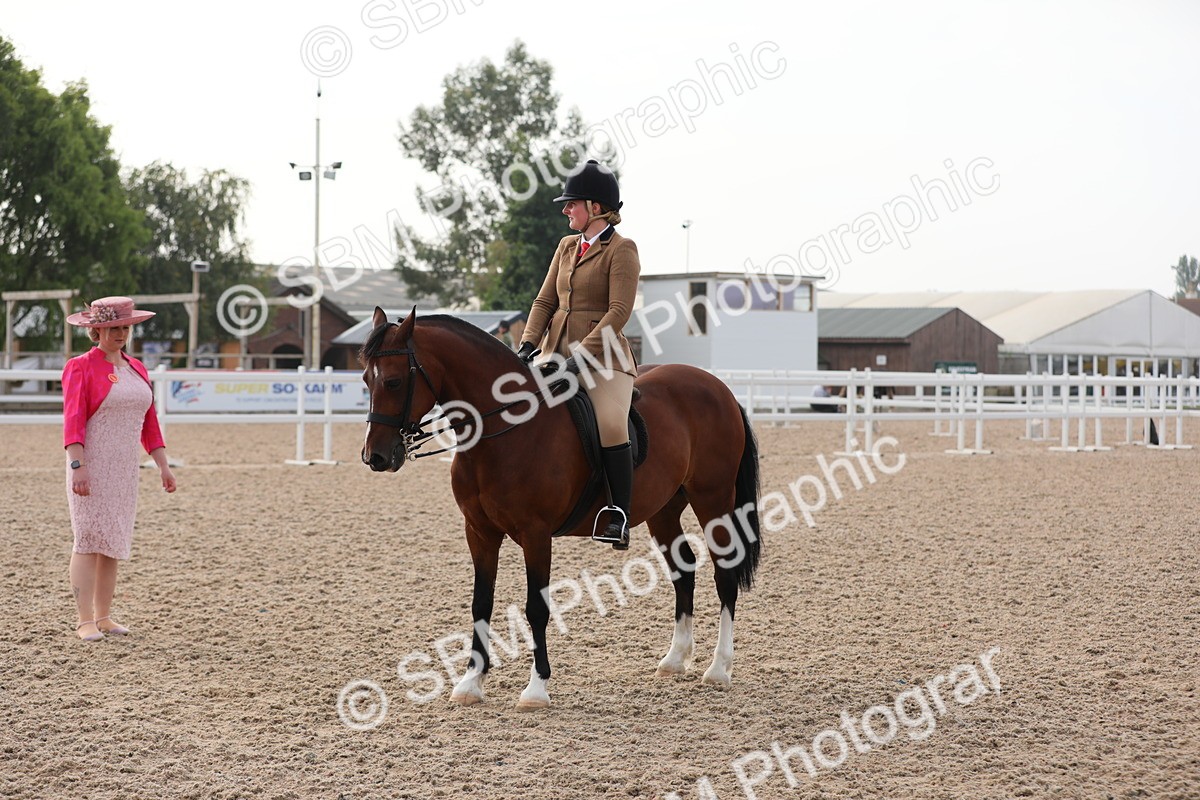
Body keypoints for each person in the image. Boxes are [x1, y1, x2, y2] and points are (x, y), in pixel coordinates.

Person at [517, 160, 640, 550]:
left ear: (596, 208)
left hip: (604, 359)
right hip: (554, 353)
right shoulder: (566, 246)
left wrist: (581, 357)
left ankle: (618, 515)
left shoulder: (622, 250)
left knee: (610, 424)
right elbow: (545, 299)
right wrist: (526, 344)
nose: (565, 210)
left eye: (572, 204)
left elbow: (618, 312)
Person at [62, 297, 177, 641]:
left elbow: (150, 423)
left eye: (125, 327)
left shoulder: (138, 368)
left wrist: (163, 466)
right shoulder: (79, 367)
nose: (121, 333)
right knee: (87, 540)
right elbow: (73, 421)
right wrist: (77, 464)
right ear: (96, 330)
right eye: (114, 328)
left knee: (112, 541)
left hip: (125, 469)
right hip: (91, 465)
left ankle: (104, 616)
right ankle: (84, 619)